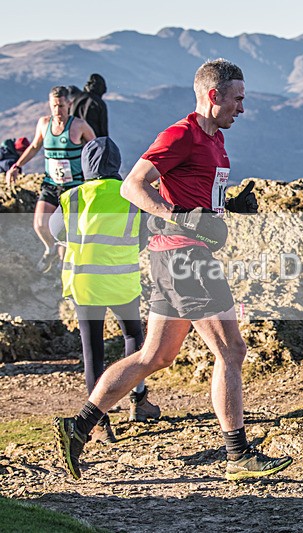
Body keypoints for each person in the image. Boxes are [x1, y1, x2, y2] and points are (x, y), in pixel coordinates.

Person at [53, 58, 288, 482]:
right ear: (213, 95)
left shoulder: (215, 141)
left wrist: (228, 206)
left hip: (174, 258)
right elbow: (133, 185)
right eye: (237, 99)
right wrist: (181, 216)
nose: (243, 108)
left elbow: (195, 194)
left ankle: (80, 424)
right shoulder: (182, 134)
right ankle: (238, 455)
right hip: (184, 258)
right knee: (231, 350)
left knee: (154, 356)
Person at [49, 137, 161, 443]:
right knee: (134, 339)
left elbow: (57, 232)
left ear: (86, 165)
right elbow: (144, 234)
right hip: (122, 280)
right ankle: (138, 401)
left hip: (84, 283)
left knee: (93, 352)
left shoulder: (72, 197)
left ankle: (97, 423)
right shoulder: (130, 194)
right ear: (117, 165)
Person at [5, 86, 95, 273]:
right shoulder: (43, 123)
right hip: (51, 183)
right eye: (54, 106)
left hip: (74, 186)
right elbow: (35, 146)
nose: (57, 110)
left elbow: (96, 150)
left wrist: (96, 178)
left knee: (66, 229)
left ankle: (64, 266)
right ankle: (50, 249)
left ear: (69, 104)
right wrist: (17, 166)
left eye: (61, 106)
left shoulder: (79, 126)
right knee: (39, 223)